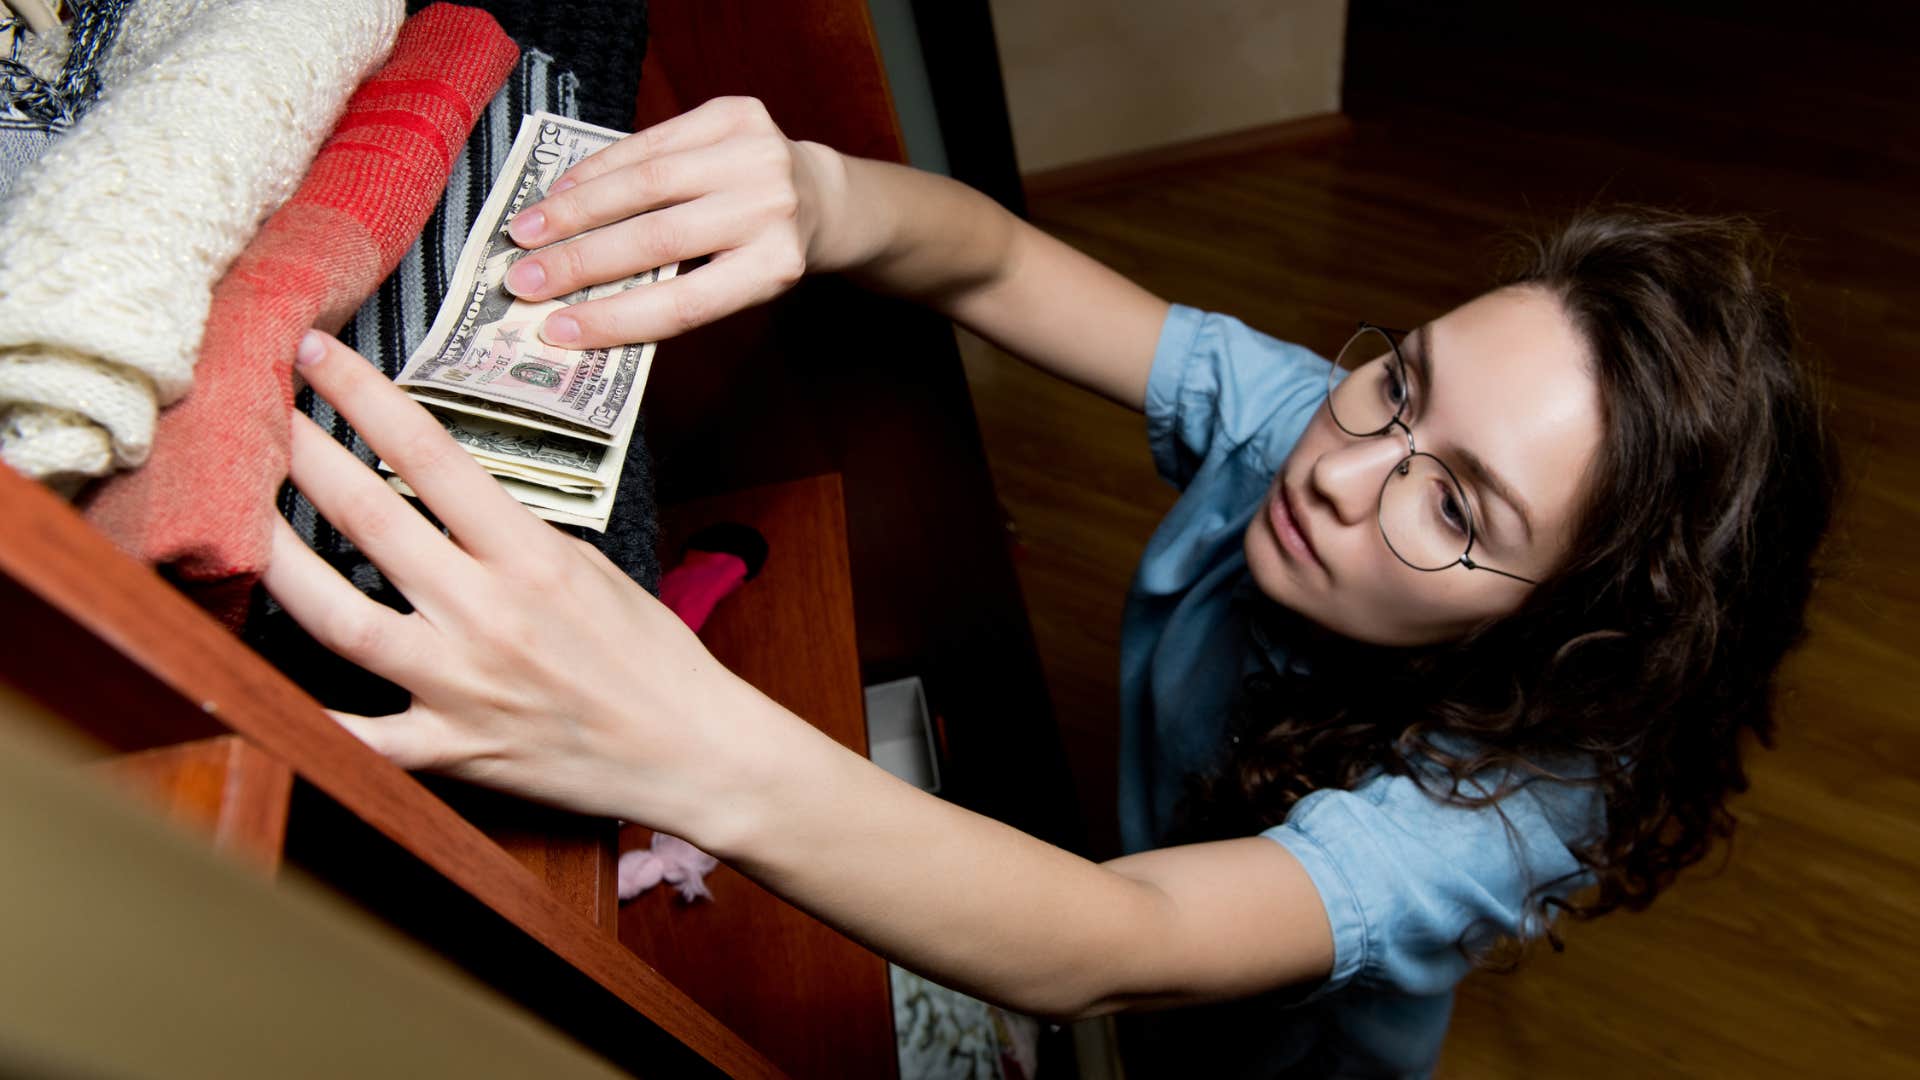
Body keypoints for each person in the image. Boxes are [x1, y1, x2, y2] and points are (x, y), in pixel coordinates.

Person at [263, 97, 1838, 1076]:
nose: (1342, 468)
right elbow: (1002, 269)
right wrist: (822, 194)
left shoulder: (1505, 811)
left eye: (1454, 501)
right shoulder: (1319, 422)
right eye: (1403, 383)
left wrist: (686, 742)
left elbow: (1114, 937)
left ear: (1561, 627)